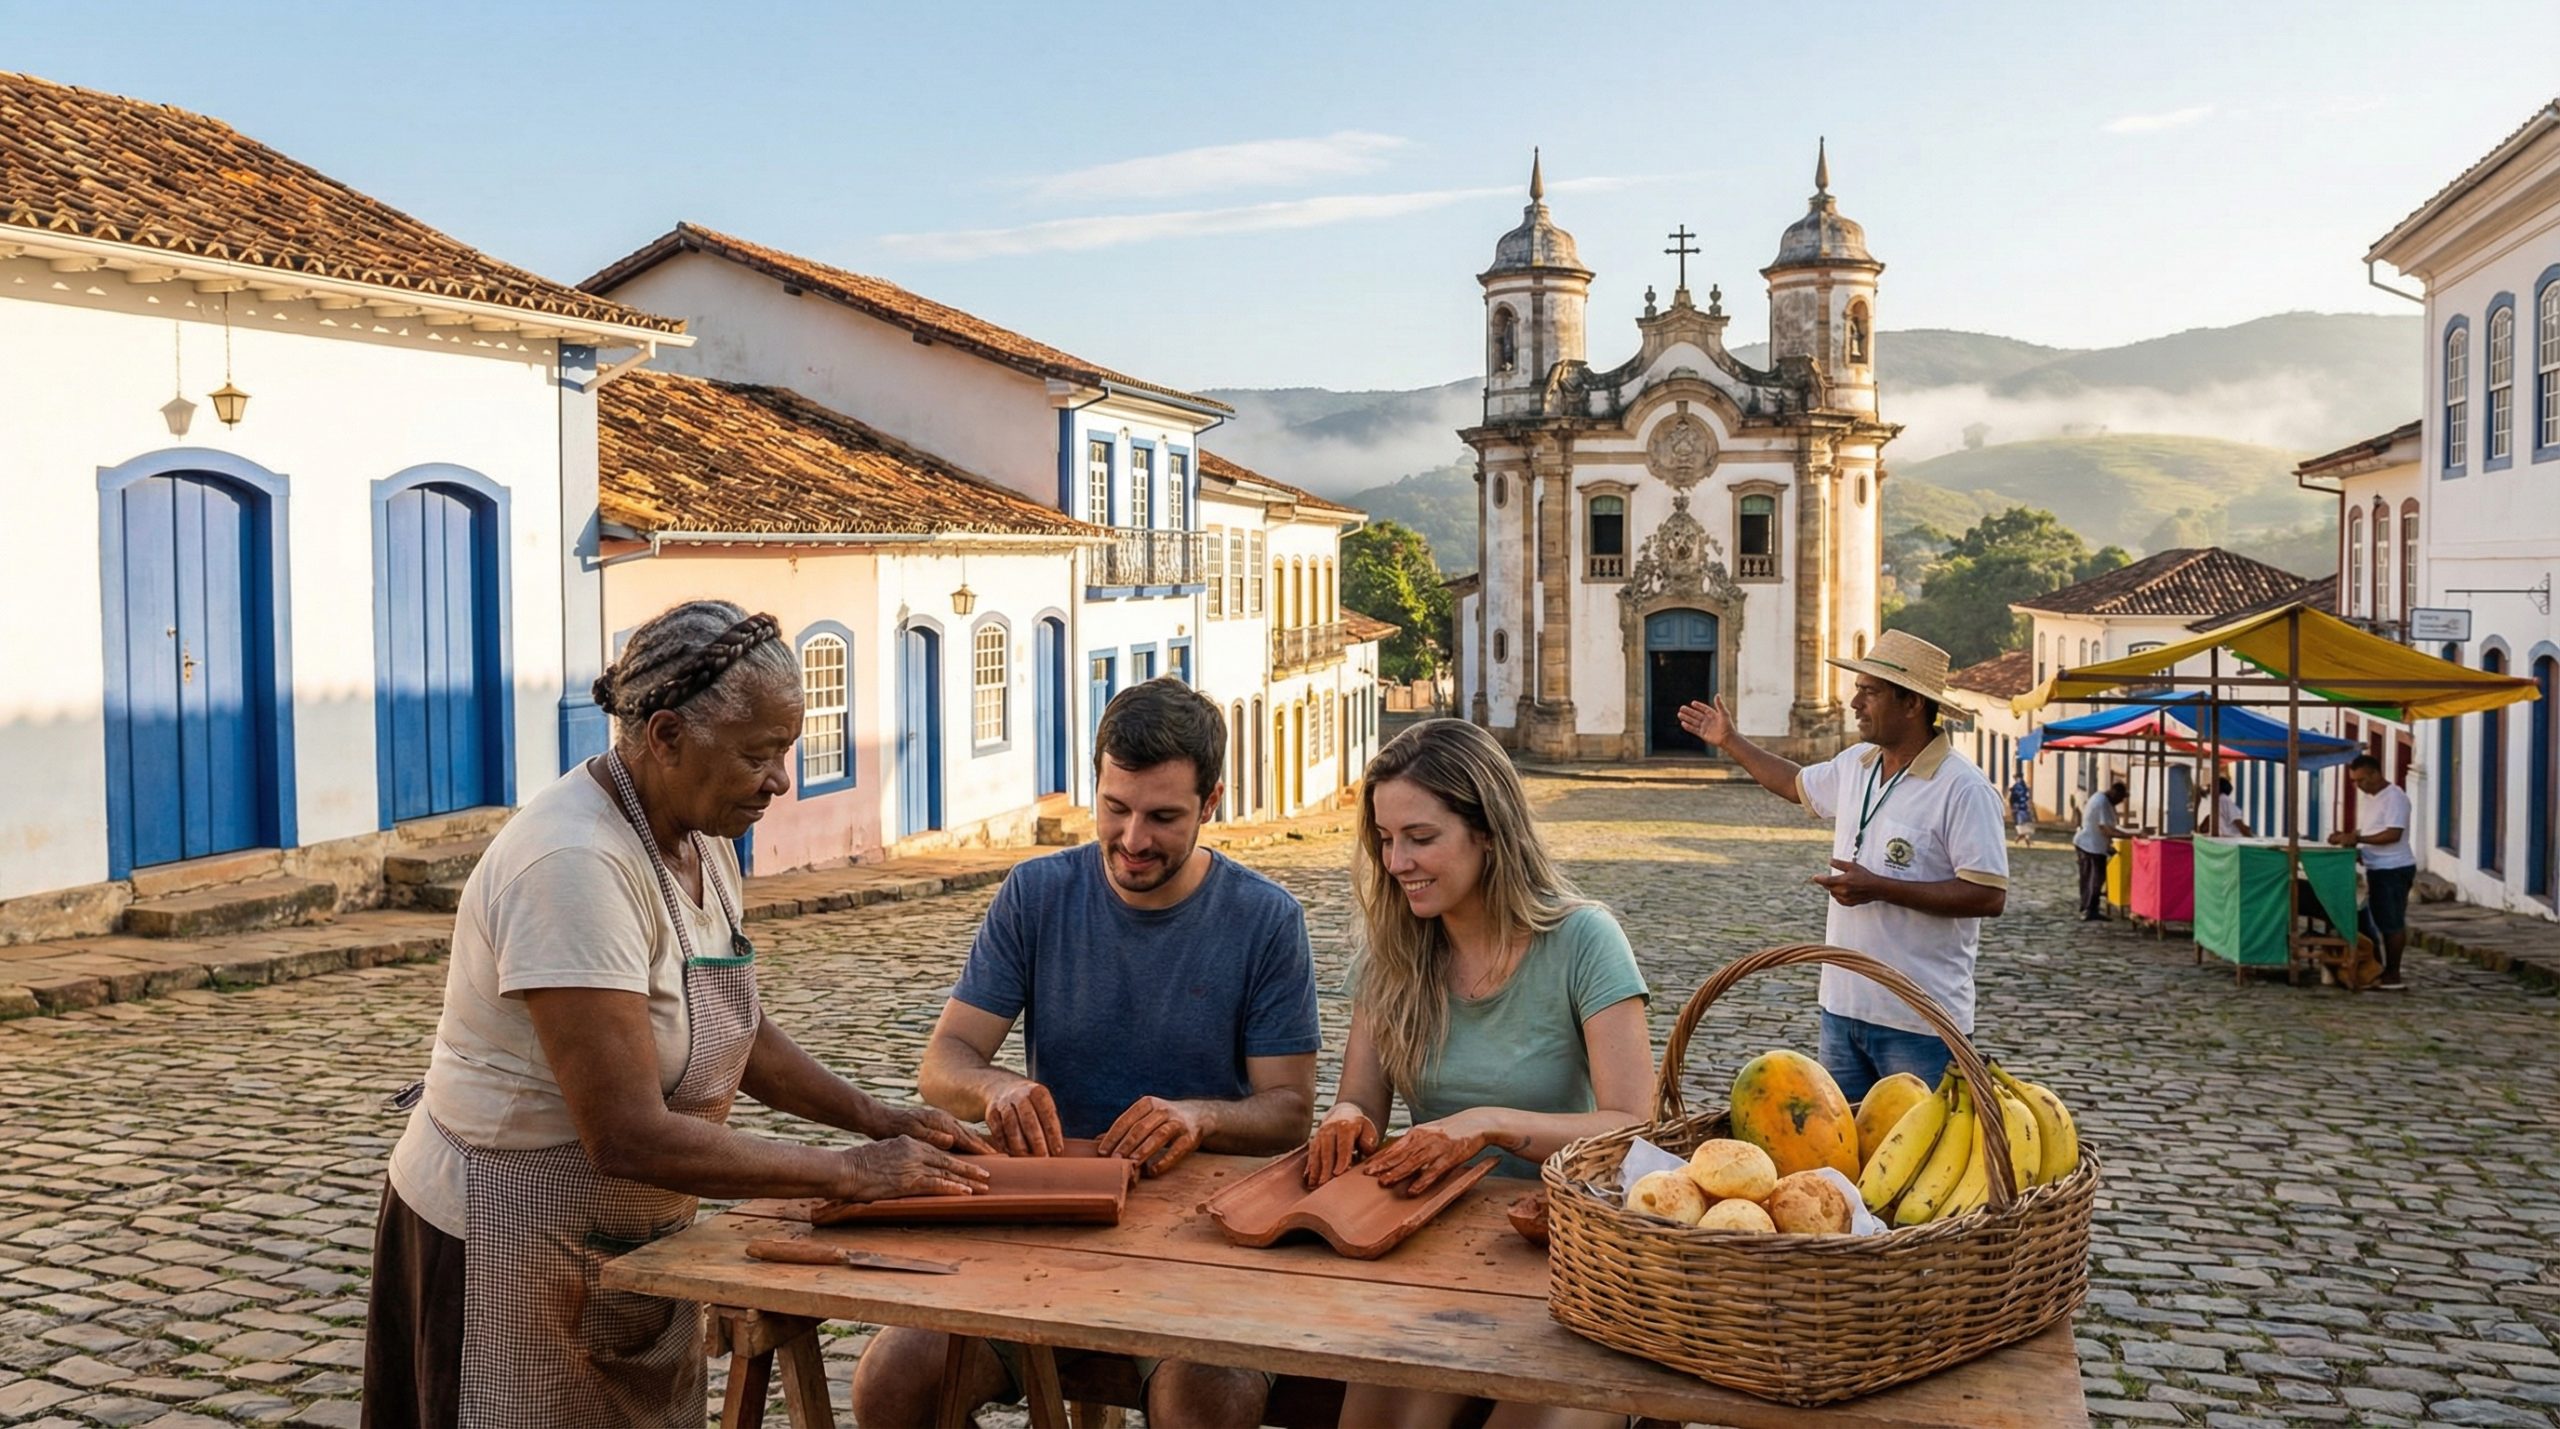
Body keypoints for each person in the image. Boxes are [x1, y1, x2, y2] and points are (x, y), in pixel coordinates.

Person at [364, 600, 991, 1429]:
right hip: (503, 1246)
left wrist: (876, 1117)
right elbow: (627, 1134)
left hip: (620, 1239)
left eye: (786, 751)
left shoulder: (700, 837)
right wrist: (846, 1172)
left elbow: (733, 1025)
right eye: (758, 755)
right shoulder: (573, 864)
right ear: (665, 736)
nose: (780, 780)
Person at [850, 677, 1319, 1429]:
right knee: (891, 1386)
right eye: (1115, 807)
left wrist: (1198, 1116)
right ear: (1094, 784)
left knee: (1202, 1405)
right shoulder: (1035, 893)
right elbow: (944, 1063)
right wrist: (998, 1089)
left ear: (1212, 802)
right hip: (1051, 1219)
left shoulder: (1266, 918)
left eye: (1163, 817)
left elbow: (1289, 1113)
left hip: (1200, 1238)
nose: (1132, 839)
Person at [1305, 719, 1652, 1429]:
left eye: (1420, 837)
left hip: (1574, 1257)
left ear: (1488, 831)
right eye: (1385, 839)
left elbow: (1631, 1127)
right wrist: (1345, 1119)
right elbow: (1360, 1101)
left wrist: (1485, 1124)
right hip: (1435, 1250)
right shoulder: (1389, 956)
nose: (1397, 861)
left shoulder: (1585, 940)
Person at [1677, 630, 2009, 1104]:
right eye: (1858, 689)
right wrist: (1731, 741)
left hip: (1921, 1021)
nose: (1855, 703)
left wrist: (1881, 887)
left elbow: (1988, 895)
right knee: (1841, 1144)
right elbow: (1795, 784)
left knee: (1920, 1149)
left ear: (1912, 703)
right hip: (1842, 1008)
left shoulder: (1963, 789)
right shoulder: (1858, 765)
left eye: (1870, 692)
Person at [2328, 753, 2415, 991]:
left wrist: (2358, 839)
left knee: (2392, 922)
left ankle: (2393, 974)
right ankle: (2377, 968)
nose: (2359, 786)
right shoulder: (2372, 799)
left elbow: (2393, 834)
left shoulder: (2395, 798)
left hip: (2393, 868)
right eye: (2354, 781)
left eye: (2362, 780)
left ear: (2376, 774)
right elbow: (2372, 828)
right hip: (2376, 866)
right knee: (2378, 920)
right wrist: (2348, 836)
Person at [2074, 779, 2131, 922]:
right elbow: (2106, 829)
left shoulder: (2104, 801)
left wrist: (2108, 845)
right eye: (2120, 798)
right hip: (2089, 845)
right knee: (2093, 878)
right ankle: (2088, 909)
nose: (2120, 802)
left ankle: (2091, 908)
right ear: (2114, 793)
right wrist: (2130, 836)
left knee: (2095, 878)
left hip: (2095, 845)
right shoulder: (2101, 803)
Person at [2008, 770, 2036, 844]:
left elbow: (2013, 797)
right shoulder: (2024, 785)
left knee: (2020, 824)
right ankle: (2024, 837)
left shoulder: (2017, 786)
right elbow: (2027, 797)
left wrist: (2012, 805)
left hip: (2018, 808)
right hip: (2024, 807)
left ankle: (2022, 837)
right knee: (2025, 823)